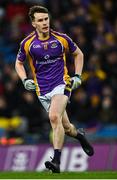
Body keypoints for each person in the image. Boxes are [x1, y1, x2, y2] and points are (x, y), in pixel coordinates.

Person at [15, 5, 94, 173]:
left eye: (46, 19)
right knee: (65, 128)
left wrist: (78, 76)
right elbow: (18, 63)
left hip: (62, 83)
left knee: (53, 116)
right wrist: (24, 79)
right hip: (42, 89)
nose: (45, 23)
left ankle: (57, 161)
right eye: (40, 20)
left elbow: (78, 54)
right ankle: (79, 135)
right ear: (33, 23)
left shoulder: (61, 38)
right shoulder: (27, 43)